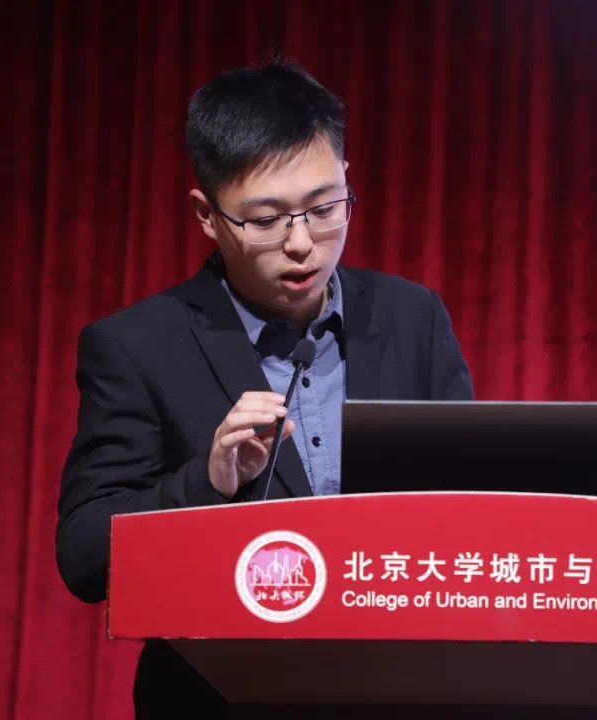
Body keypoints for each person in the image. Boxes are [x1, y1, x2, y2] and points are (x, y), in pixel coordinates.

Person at [55, 59, 474, 717]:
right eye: (267, 219)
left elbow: (473, 503)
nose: (302, 244)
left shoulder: (412, 317)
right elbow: (83, 556)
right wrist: (207, 482)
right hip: (222, 699)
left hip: (401, 693)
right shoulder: (137, 347)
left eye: (324, 208)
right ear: (207, 215)